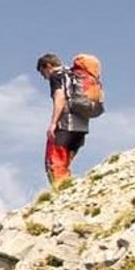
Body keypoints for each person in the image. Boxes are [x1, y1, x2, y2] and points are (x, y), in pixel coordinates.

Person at [38, 52, 89, 185]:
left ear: (48, 66)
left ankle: (60, 195)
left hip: (66, 125)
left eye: (43, 73)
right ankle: (69, 189)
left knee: (53, 163)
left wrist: (53, 124)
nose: (44, 78)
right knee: (64, 165)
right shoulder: (74, 75)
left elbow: (59, 98)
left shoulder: (57, 76)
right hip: (81, 128)